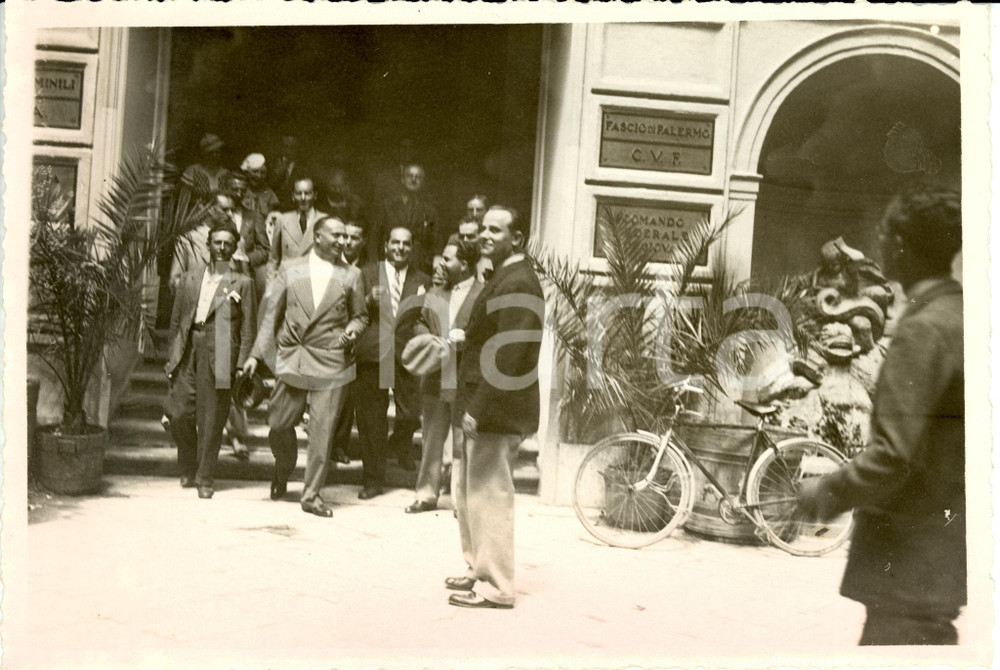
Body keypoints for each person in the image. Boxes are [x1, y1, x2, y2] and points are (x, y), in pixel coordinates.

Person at [797, 189, 964, 645]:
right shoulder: (962, 316)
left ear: (905, 246)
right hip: (943, 557)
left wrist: (825, 491)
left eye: (887, 233)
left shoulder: (923, 331)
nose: (881, 242)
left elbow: (894, 456)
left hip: (908, 560)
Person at [447, 205, 544, 610]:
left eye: (495, 229)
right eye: (482, 228)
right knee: (470, 493)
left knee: (490, 495)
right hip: (480, 399)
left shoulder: (520, 281)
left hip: (496, 407)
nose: (484, 235)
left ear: (516, 238)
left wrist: (479, 408)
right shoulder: (504, 275)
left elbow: (509, 356)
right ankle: (477, 568)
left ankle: (500, 587)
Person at [242, 217, 368, 518]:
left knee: (321, 433)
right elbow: (271, 316)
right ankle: (283, 469)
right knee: (278, 423)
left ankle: (311, 495)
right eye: (336, 235)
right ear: (318, 236)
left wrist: (352, 330)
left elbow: (361, 316)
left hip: (330, 359)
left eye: (346, 236)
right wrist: (255, 357)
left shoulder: (352, 274)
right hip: (294, 357)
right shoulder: (289, 268)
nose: (343, 241)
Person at [164, 221, 257, 499]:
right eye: (217, 242)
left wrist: (242, 363)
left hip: (222, 350)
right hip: (189, 345)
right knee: (178, 412)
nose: (222, 247)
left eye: (228, 243)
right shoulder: (190, 278)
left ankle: (204, 477)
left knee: (212, 418)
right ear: (208, 244)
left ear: (234, 247)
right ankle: (189, 463)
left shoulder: (243, 283)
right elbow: (176, 321)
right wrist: (173, 356)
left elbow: (248, 327)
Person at [405, 238, 483, 514]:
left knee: (463, 444)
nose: (441, 264)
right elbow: (419, 324)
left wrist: (468, 339)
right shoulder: (434, 294)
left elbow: (491, 334)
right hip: (436, 377)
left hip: (465, 379)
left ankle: (461, 501)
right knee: (431, 440)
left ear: (464, 265)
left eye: (447, 259)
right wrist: (432, 341)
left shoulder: (484, 293)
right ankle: (426, 494)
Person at [354, 226, 430, 499]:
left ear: (412, 248)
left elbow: (426, 317)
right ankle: (372, 479)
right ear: (385, 245)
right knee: (371, 419)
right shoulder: (366, 272)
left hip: (406, 353)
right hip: (374, 354)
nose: (400, 248)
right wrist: (366, 299)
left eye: (406, 244)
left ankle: (399, 440)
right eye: (395, 242)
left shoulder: (422, 279)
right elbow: (351, 313)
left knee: (410, 412)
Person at [327, 218, 368, 466]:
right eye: (346, 236)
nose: (349, 242)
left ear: (362, 242)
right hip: (329, 341)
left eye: (355, 238)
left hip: (360, 340)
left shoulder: (368, 270)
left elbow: (365, 312)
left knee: (348, 397)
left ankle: (339, 444)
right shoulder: (329, 266)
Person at [373, 162, 439, 276]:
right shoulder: (387, 205)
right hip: (390, 262)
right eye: (410, 176)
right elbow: (375, 237)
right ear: (402, 179)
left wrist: (435, 257)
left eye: (418, 177)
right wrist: (375, 263)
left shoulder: (430, 211)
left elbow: (436, 240)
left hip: (419, 266)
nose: (413, 179)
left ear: (422, 182)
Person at [265, 177, 327, 281]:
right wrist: (271, 288)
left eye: (307, 193)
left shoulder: (325, 221)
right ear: (293, 196)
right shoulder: (282, 220)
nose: (303, 198)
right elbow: (273, 259)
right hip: (288, 283)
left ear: (315, 195)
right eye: (298, 193)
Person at [224, 172, 271, 302]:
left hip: (246, 275)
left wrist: (247, 259)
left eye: (242, 190)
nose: (239, 194)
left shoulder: (254, 216)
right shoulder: (218, 214)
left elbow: (265, 250)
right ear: (226, 189)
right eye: (235, 189)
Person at [180, 133, 231, 203]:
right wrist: (206, 197)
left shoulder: (226, 173)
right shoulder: (191, 172)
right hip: (197, 213)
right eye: (211, 153)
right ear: (204, 154)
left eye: (218, 152)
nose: (215, 155)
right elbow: (183, 200)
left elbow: (231, 199)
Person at [320, 168, 366, 233]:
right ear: (327, 185)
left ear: (347, 185)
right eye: (334, 187)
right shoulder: (320, 205)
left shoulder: (356, 204)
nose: (338, 190)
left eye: (341, 186)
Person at [240, 153, 281, 220]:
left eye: (263, 173)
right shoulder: (239, 191)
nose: (259, 176)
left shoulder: (269, 194)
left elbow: (274, 219)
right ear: (246, 172)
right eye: (255, 171)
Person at [457, 215, 492, 283]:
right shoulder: (455, 263)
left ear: (481, 237)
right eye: (461, 237)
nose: (464, 240)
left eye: (470, 236)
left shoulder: (491, 264)